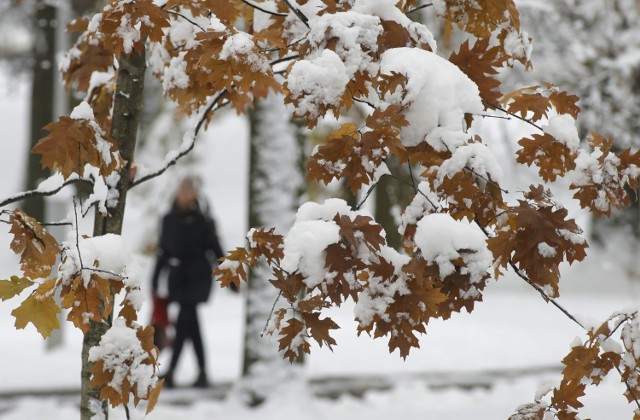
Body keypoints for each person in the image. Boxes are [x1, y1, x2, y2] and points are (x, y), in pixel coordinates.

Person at [151, 177, 224, 388]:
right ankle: (201, 372)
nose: (184, 195)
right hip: (178, 279)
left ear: (195, 195)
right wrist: (155, 280)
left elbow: (216, 248)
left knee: (185, 320)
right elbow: (162, 251)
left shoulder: (204, 220)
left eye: (188, 191)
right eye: (181, 190)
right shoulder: (168, 219)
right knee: (191, 326)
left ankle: (172, 372)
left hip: (198, 279)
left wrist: (231, 279)